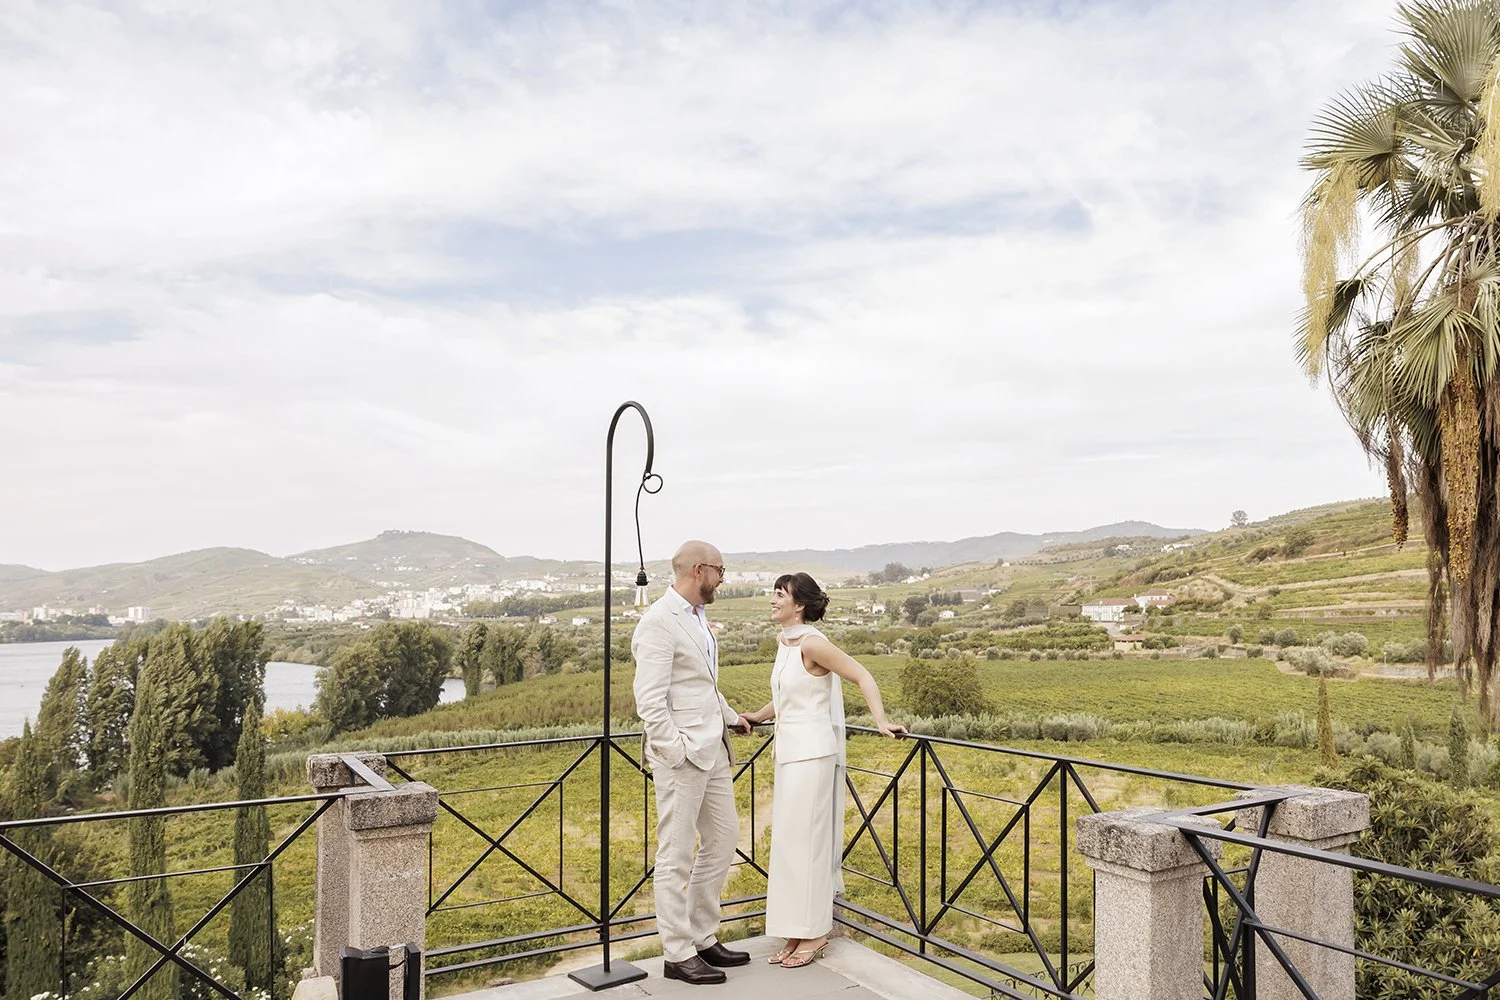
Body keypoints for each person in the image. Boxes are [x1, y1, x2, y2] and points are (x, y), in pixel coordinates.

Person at [738, 572, 906, 969]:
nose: (773, 600)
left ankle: (815, 932)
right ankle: (795, 930)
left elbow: (862, 675)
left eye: (781, 594)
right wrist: (757, 716)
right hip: (788, 755)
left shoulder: (813, 643)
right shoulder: (785, 642)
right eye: (773, 593)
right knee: (790, 847)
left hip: (813, 757)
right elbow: (787, 696)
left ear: (799, 605)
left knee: (810, 847)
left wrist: (881, 721)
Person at [632, 540, 754, 985]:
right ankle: (677, 953)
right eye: (720, 570)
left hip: (713, 749)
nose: (722, 579)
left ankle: (703, 935)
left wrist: (732, 718)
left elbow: (703, 685)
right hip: (682, 757)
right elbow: (649, 700)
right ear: (699, 570)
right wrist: (675, 750)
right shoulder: (658, 622)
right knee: (676, 853)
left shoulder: (698, 617)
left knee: (723, 840)